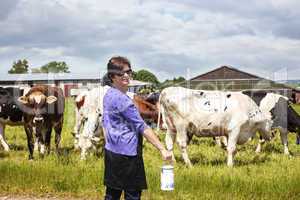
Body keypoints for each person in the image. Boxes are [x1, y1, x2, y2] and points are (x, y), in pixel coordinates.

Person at [102, 56, 172, 200]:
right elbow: (142, 126)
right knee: (132, 195)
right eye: (121, 73)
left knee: (112, 194)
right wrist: (162, 149)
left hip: (112, 152)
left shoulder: (108, 94)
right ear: (112, 76)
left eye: (128, 71)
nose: (126, 75)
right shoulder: (123, 101)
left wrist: (109, 142)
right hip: (128, 155)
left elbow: (105, 122)